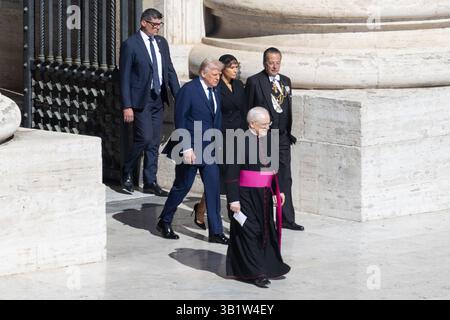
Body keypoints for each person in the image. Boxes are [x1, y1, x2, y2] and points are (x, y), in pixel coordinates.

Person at [157, 59, 229, 245]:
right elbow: (180, 120)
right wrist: (187, 148)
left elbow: (216, 119)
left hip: (210, 149)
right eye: (215, 75)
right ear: (203, 73)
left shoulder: (215, 91)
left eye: (220, 75)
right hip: (190, 149)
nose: (218, 78)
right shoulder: (188, 91)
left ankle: (216, 232)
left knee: (213, 189)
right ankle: (164, 221)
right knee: (182, 186)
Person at [225, 107, 291, 288]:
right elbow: (231, 172)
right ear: (252, 124)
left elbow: (275, 168)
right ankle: (256, 273)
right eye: (264, 124)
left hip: (264, 195)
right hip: (245, 194)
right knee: (249, 231)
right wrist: (233, 199)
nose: (268, 127)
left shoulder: (269, 139)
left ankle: (267, 266)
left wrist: (280, 190)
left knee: (264, 231)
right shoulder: (237, 141)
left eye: (269, 124)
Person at [119, 8, 180, 196]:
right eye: (154, 25)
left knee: (154, 141)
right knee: (144, 138)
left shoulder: (161, 43)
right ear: (143, 23)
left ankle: (150, 180)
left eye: (159, 25)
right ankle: (126, 171)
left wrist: (180, 95)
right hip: (140, 100)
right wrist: (127, 105)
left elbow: (169, 70)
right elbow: (125, 77)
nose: (157, 29)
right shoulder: (131, 44)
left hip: (158, 98)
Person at [245, 47, 304, 231]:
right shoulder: (255, 81)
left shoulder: (286, 81)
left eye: (277, 62)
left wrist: (288, 131)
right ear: (264, 63)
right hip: (264, 137)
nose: (274, 65)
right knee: (265, 178)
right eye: (271, 62)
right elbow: (247, 110)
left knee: (285, 177)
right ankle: (265, 219)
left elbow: (287, 107)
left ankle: (286, 218)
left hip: (283, 137)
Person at [191, 54, 248, 230]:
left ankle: (207, 210)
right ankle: (205, 210)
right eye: (232, 67)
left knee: (230, 178)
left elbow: (243, 110)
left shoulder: (239, 85)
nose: (235, 70)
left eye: (237, 67)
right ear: (223, 69)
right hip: (221, 136)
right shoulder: (216, 87)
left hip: (238, 135)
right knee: (219, 179)